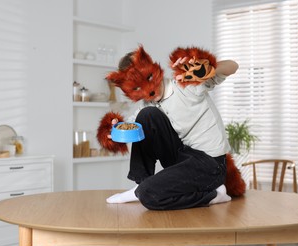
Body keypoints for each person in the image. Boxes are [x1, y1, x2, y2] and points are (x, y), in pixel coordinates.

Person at [101, 45, 239, 210]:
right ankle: (141, 183)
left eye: (148, 78)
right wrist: (113, 130)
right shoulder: (149, 104)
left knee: (149, 195)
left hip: (210, 164)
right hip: (183, 157)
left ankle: (213, 195)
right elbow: (130, 127)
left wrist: (205, 66)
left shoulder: (186, 83)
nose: (148, 90)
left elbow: (233, 66)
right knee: (146, 115)